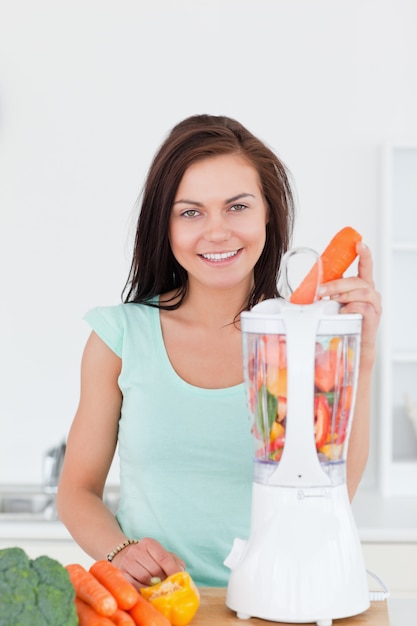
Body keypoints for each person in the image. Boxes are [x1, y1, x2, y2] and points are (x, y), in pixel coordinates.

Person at [57, 114, 382, 590]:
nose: (217, 232)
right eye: (190, 212)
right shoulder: (121, 338)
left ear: (267, 212)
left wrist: (363, 355)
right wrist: (122, 551)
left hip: (277, 601)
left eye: (237, 207)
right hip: (160, 608)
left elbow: (334, 495)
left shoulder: (305, 336)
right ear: (164, 226)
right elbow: (76, 491)